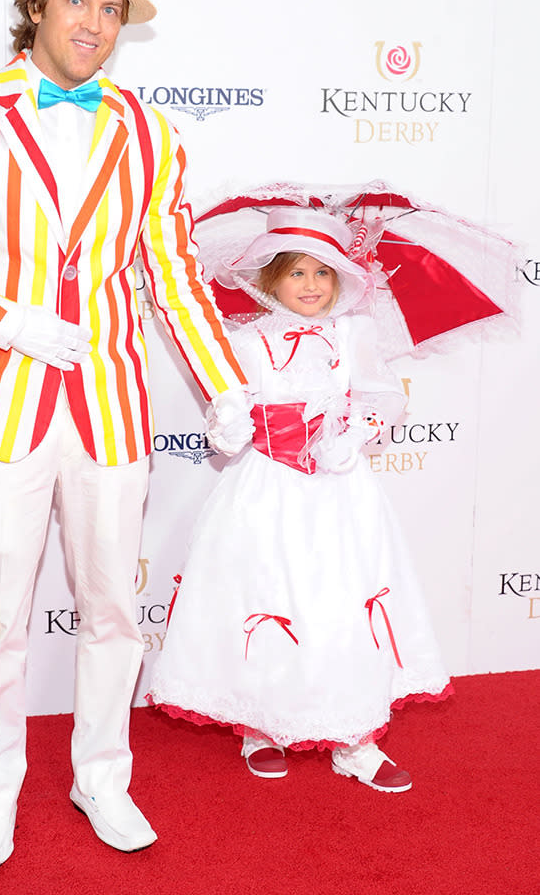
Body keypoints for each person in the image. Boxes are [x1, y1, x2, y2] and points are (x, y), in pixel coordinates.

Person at [0, 0, 252, 869]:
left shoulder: (147, 130)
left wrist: (223, 385)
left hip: (113, 410)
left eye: (110, 9)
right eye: (74, 0)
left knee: (114, 611)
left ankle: (102, 779)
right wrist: (5, 321)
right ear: (34, 6)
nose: (92, 22)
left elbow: (174, 274)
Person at [147, 205, 452, 789]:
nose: (310, 286)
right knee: (267, 599)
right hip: (268, 491)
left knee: (345, 601)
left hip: (340, 494)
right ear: (268, 279)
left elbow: (381, 394)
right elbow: (229, 399)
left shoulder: (353, 332)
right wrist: (231, 421)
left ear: (340, 280)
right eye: (296, 273)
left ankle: (355, 737)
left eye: (322, 273)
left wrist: (355, 432)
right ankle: (263, 725)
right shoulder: (245, 339)